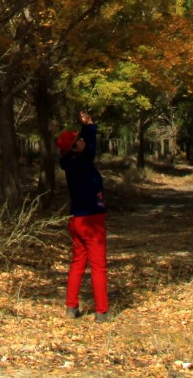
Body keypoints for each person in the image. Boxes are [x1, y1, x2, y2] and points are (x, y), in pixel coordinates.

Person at [56, 109, 108, 319]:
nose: (82, 142)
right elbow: (91, 146)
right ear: (74, 149)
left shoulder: (71, 164)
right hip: (91, 220)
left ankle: (71, 307)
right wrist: (89, 127)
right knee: (99, 267)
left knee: (78, 263)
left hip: (76, 220)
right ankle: (102, 311)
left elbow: (87, 145)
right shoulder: (83, 162)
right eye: (78, 142)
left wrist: (87, 126)